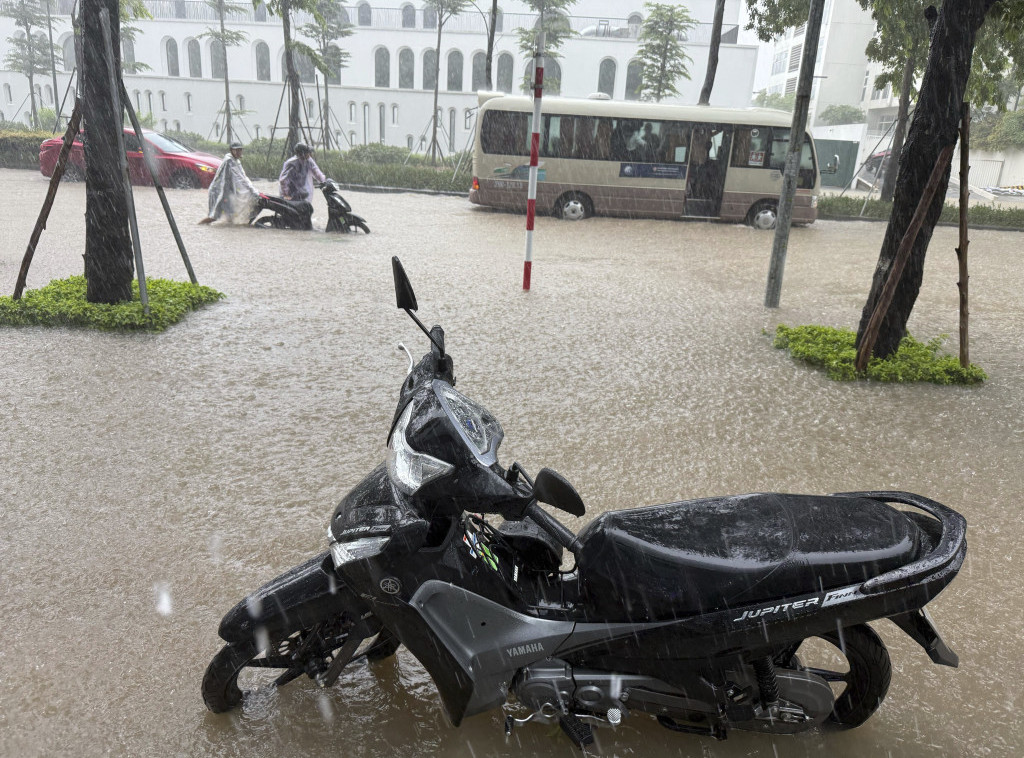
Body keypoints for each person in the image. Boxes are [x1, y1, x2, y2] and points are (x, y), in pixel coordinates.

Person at [199, 141, 260, 224]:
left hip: (226, 192)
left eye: (240, 150)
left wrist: (252, 189)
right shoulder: (229, 161)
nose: (239, 152)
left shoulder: (236, 161)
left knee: (230, 216)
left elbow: (243, 176)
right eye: (237, 150)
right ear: (232, 150)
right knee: (214, 216)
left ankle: (229, 231)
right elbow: (241, 178)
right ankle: (199, 226)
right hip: (219, 192)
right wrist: (252, 190)